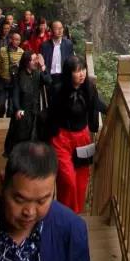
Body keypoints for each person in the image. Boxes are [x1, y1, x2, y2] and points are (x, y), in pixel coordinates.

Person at [47, 56, 106, 213]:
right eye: (77, 71)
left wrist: (110, 110)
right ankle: (64, 213)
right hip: (62, 139)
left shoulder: (89, 88)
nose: (82, 74)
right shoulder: (59, 90)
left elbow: (98, 104)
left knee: (81, 181)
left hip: (83, 138)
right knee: (68, 181)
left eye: (83, 69)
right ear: (68, 73)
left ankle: (76, 214)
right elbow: (50, 114)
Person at [4, 51, 47, 157]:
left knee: (33, 139)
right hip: (23, 112)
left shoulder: (37, 74)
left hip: (34, 112)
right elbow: (15, 94)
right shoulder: (19, 76)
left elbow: (48, 81)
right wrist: (18, 109)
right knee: (20, 139)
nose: (35, 62)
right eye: (33, 60)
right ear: (27, 62)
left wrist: (43, 66)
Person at [0, 31, 24, 119]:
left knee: (12, 104)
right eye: (15, 39)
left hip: (14, 81)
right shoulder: (2, 50)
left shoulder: (21, 52)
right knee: (1, 103)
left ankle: (7, 121)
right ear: (11, 40)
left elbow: (23, 67)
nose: (17, 42)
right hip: (3, 79)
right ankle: (1, 113)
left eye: (19, 40)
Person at [40, 20, 74, 98]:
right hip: (50, 78)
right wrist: (47, 78)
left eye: (61, 28)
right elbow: (42, 65)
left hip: (63, 77)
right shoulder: (44, 46)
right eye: (56, 28)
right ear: (51, 31)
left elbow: (71, 61)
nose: (60, 31)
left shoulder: (68, 44)